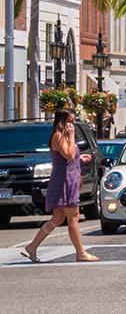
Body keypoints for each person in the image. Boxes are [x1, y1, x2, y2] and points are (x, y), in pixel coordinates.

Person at [22, 109, 97, 263]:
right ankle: (81, 253)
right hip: (64, 182)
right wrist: (71, 136)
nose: (73, 124)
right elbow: (68, 155)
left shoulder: (64, 137)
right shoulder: (58, 136)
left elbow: (69, 157)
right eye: (71, 121)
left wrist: (80, 158)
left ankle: (32, 246)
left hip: (68, 179)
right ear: (63, 121)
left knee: (57, 218)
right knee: (74, 217)